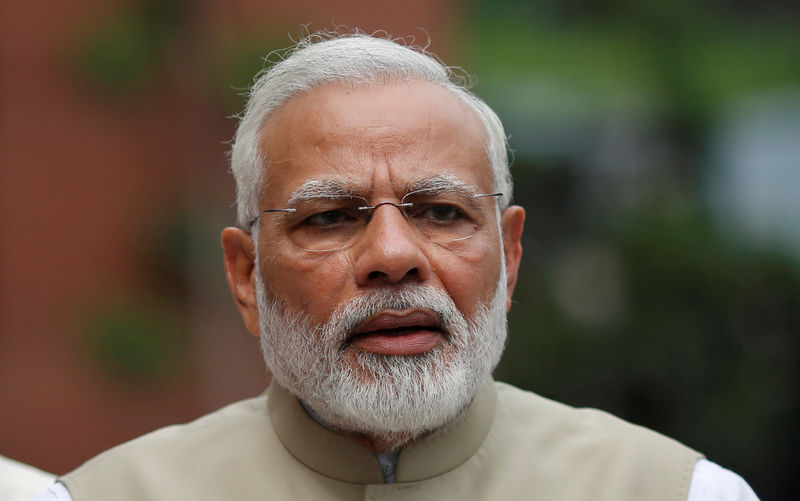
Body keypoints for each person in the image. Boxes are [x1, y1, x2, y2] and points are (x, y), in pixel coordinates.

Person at [32, 32, 758, 500]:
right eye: (330, 217)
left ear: (507, 255)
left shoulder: (676, 492)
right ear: (246, 274)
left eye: (442, 211)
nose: (392, 256)